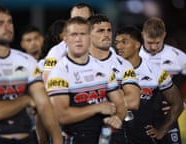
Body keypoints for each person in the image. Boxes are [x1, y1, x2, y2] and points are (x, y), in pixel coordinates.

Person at [0, 4, 62, 144]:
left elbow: (44, 105)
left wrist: (57, 140)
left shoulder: (27, 61)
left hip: (28, 138)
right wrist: (26, 100)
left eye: (9, 22)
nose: (7, 27)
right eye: (0, 23)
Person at [45, 16, 126, 144]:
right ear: (65, 39)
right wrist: (97, 108)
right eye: (73, 34)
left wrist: (118, 117)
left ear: (90, 38)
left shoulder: (103, 68)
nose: (78, 39)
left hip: (104, 138)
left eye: (83, 34)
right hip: (76, 139)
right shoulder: (59, 72)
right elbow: (61, 115)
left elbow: (120, 103)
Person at [139, 17, 186, 144]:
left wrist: (185, 102)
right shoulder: (132, 56)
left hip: (167, 120)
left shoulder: (177, 56)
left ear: (164, 35)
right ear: (143, 35)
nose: (154, 47)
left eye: (157, 42)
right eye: (150, 42)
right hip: (139, 120)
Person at [114, 26, 184, 143]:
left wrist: (162, 130)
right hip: (117, 137)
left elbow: (177, 103)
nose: (118, 46)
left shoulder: (156, 72)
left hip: (144, 137)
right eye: (117, 43)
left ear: (137, 45)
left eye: (124, 42)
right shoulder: (109, 69)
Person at [88, 14, 141, 144]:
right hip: (83, 130)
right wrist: (115, 100)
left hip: (114, 131)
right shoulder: (75, 63)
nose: (106, 34)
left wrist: (92, 104)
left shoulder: (123, 64)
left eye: (109, 30)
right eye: (100, 30)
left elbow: (134, 101)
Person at [43, 2, 94, 81]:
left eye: (83, 20)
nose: (78, 25)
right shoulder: (56, 52)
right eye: (75, 20)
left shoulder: (104, 48)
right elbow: (47, 80)